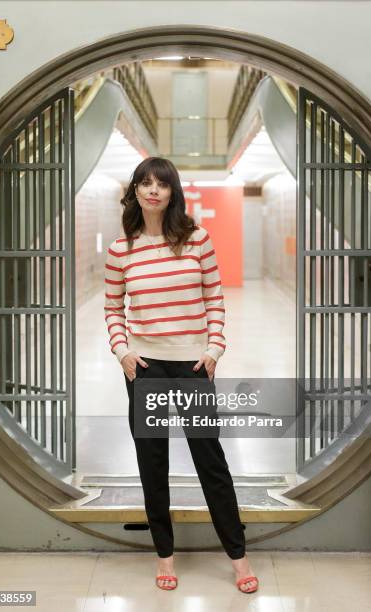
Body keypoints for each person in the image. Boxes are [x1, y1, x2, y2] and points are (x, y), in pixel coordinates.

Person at [104, 156, 259, 594]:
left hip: (192, 365)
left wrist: (213, 348)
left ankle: (239, 559)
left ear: (173, 192)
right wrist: (122, 352)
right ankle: (165, 557)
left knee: (210, 461)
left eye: (162, 184)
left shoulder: (197, 240)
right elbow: (114, 308)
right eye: (145, 183)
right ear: (135, 191)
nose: (153, 190)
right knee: (152, 464)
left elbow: (214, 296)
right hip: (145, 369)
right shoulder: (121, 251)